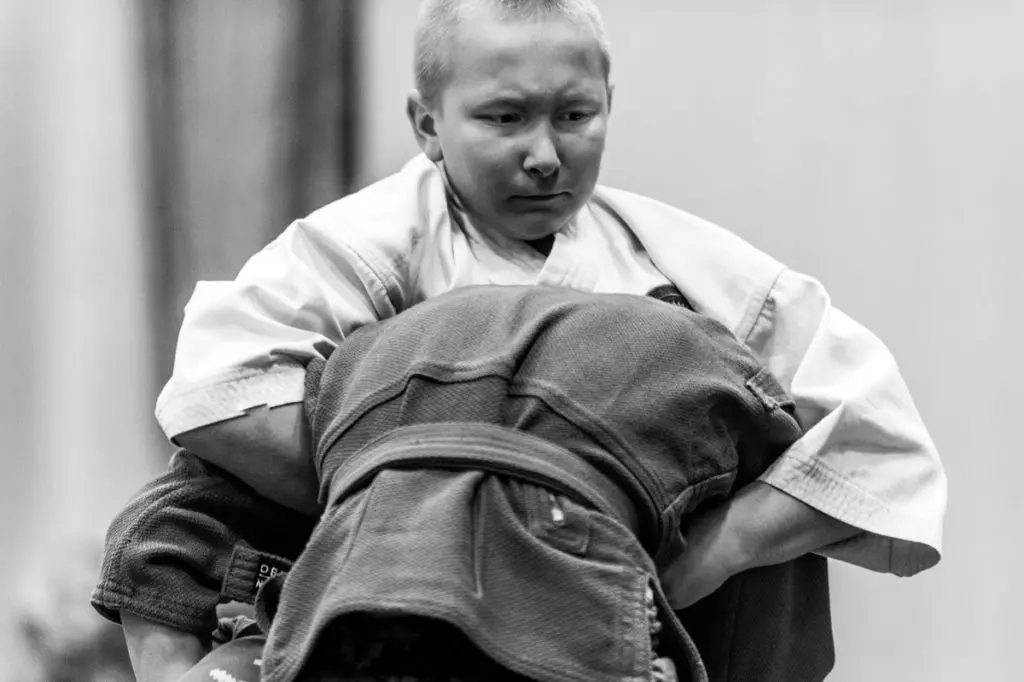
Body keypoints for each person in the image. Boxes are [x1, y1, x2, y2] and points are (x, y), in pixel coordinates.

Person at [97, 0, 946, 677]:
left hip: (638, 590)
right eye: (504, 118)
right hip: (380, 594)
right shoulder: (364, 248)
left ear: (609, 104)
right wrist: (415, 497)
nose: (545, 154)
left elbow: (881, 440)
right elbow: (214, 394)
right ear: (427, 124)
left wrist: (715, 552)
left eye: (574, 115)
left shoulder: (687, 268)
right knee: (169, 521)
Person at [98, 283, 817, 682]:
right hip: (568, 533)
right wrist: (719, 558)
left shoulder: (366, 356)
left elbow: (157, 532)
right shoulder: (684, 345)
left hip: (366, 541)